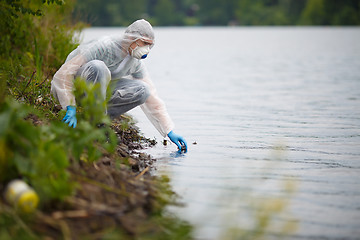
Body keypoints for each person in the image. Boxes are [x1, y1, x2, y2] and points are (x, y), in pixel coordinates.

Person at [51, 19, 187, 152]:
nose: (147, 49)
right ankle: (92, 119)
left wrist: (168, 130)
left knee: (143, 90)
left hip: (97, 98)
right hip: (77, 90)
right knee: (98, 67)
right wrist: (70, 106)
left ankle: (97, 122)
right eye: (144, 43)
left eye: (150, 45)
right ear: (132, 37)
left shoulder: (135, 62)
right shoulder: (103, 46)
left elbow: (152, 96)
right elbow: (64, 73)